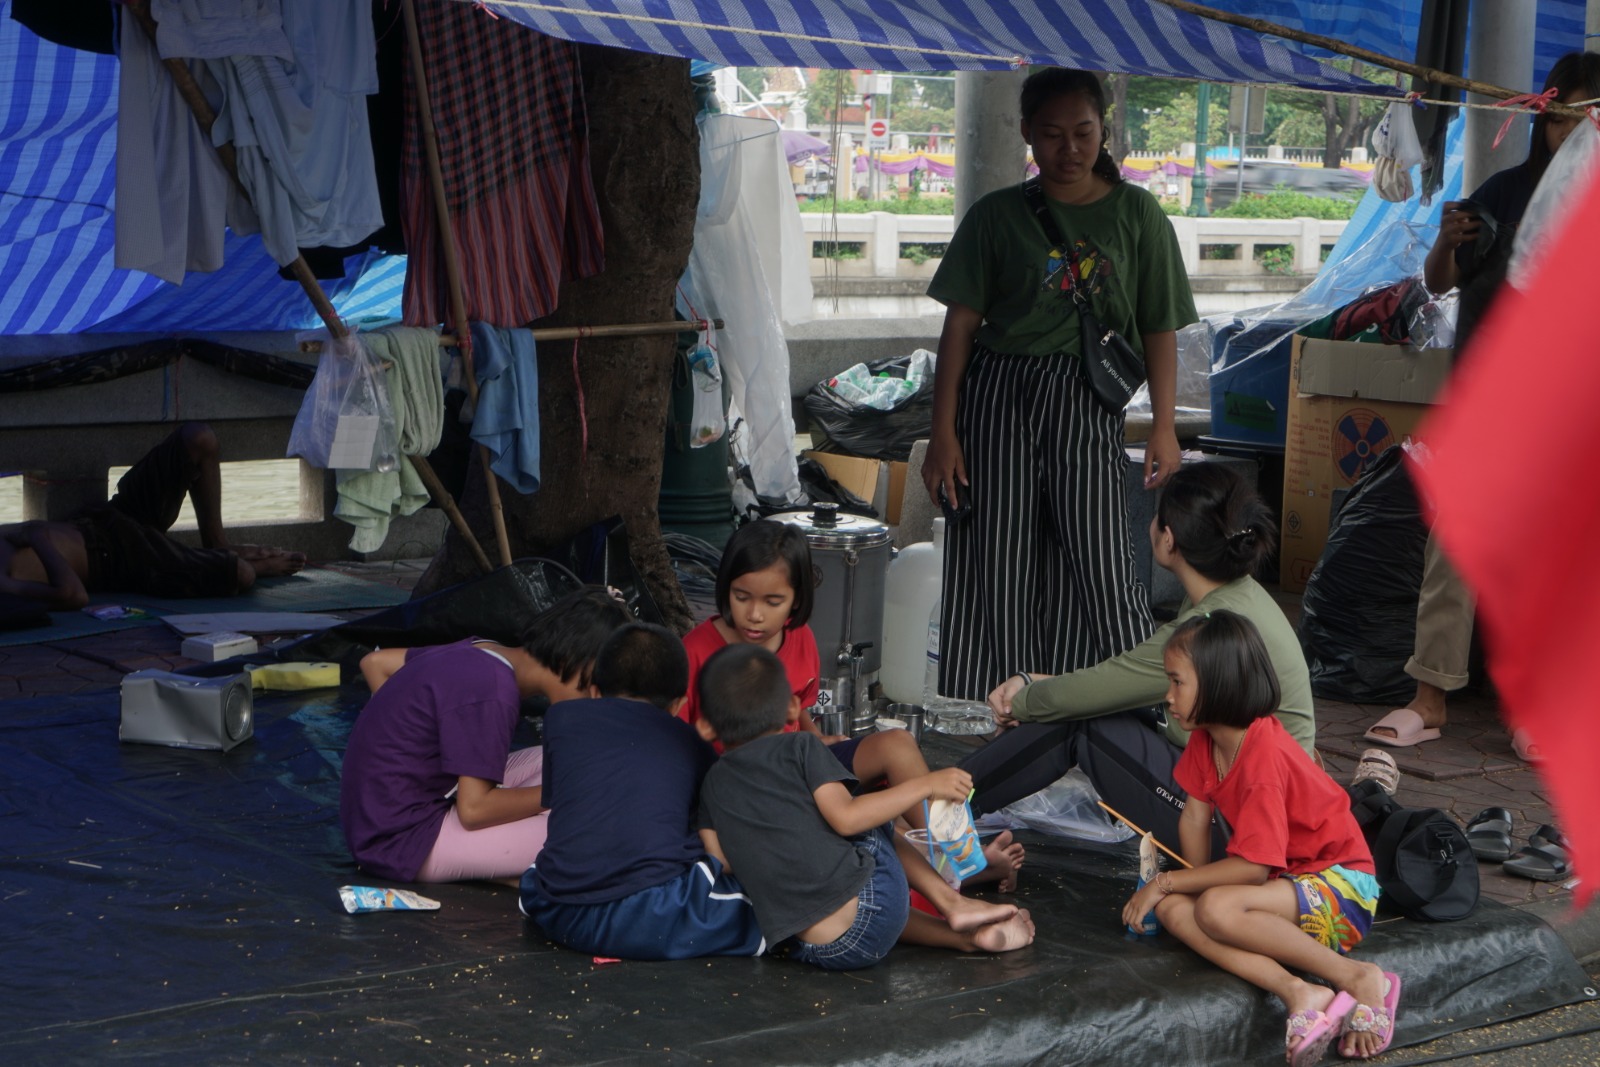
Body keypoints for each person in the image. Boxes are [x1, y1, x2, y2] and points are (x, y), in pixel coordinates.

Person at [921, 67, 1196, 704]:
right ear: (1026, 135)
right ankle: (994, 705)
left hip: (1086, 401)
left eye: (1083, 132)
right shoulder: (995, 216)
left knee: (1098, 552)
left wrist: (1162, 427)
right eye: (1051, 135)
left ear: (1105, 130)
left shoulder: (1138, 213)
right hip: (996, 399)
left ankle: (1116, 697)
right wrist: (942, 435)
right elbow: (958, 329)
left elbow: (1159, 326)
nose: (1069, 149)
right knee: (997, 550)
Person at [1367, 51, 1600, 756]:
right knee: (1456, 551)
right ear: (1546, 114)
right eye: (1572, 118)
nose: (1581, 135)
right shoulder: (1502, 191)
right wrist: (1445, 240)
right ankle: (1430, 695)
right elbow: (1439, 281)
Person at [961, 463, 1313, 856]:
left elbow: (1095, 690)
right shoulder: (1237, 594)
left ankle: (942, 804)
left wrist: (1022, 698)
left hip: (1246, 834)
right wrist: (1036, 685)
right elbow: (1121, 685)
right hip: (1258, 807)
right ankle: (948, 796)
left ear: (1168, 539)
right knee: (1097, 709)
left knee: (1083, 722)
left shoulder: (1207, 624)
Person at [678, 520, 1024, 888]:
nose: (755, 614)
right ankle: (956, 871)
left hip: (802, 765)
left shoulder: (800, 638)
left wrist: (816, 738)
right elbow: (684, 744)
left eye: (772, 601)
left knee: (896, 744)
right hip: (750, 790)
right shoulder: (697, 650)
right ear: (726, 589)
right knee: (867, 821)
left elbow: (800, 710)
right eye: (741, 596)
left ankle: (959, 851)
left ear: (796, 599)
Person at [1121, 612, 1394, 1064]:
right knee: (1177, 909)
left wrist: (1169, 882)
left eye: (1177, 682)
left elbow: (1252, 867)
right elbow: (1194, 818)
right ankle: (1301, 991)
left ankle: (1358, 976)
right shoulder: (1206, 739)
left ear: (1216, 684)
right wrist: (1187, 886)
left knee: (1208, 904)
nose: (1168, 697)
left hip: (1342, 888)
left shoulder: (1263, 755)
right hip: (1288, 888)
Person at [693, 644, 1036, 971]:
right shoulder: (800, 747)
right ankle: (952, 903)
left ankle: (966, 939)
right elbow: (847, 819)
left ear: (705, 726)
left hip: (820, 949)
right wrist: (928, 784)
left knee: (840, 884)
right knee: (866, 817)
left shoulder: (711, 783)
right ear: (791, 710)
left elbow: (721, 861)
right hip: (875, 908)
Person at [340, 587, 629, 884]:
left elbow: (374, 663)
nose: (596, 700)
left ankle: (493, 863)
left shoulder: (484, 651)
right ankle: (502, 869)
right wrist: (564, 792)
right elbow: (474, 811)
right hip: (400, 842)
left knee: (563, 764)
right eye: (595, 686)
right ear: (574, 662)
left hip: (382, 817)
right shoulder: (494, 692)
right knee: (587, 824)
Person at [519, 622, 764, 960]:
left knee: (542, 864)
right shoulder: (690, 743)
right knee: (775, 907)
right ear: (679, 704)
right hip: (649, 916)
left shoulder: (560, 718)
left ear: (593, 692)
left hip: (555, 907)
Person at [0, 422, 306, 609]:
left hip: (104, 517)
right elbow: (72, 595)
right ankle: (235, 563)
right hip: (122, 559)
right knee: (241, 574)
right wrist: (37, 538)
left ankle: (217, 543)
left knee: (199, 438)